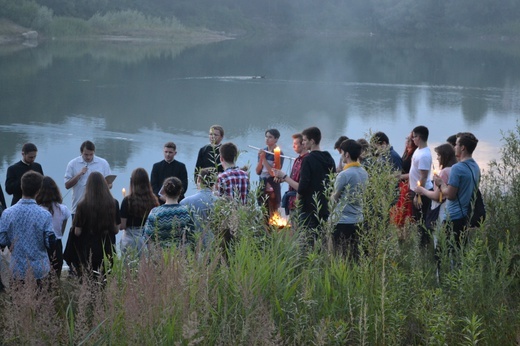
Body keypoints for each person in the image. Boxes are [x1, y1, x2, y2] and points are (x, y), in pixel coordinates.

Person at [0, 171, 55, 284]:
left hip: (17, 269)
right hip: (40, 269)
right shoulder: (45, 215)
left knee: (18, 300)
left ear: (21, 186)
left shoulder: (7, 213)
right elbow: (50, 243)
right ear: (39, 190)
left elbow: (2, 240)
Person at [68, 172, 120, 277]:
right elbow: (116, 230)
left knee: (90, 278)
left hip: (88, 250)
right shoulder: (114, 203)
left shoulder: (82, 205)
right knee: (106, 278)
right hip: (107, 248)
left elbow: (77, 232)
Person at [434, 132, 480, 247]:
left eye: (456, 144)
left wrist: (440, 184)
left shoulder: (457, 168)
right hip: (466, 216)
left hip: (453, 217)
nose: (454, 147)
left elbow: (450, 195)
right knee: (458, 253)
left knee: (441, 255)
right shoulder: (475, 167)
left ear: (462, 148)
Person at [332, 139, 369, 258]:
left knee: (340, 257)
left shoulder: (344, 174)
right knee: (354, 256)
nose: (341, 155)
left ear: (346, 154)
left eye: (342, 152)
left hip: (342, 222)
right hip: (358, 219)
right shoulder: (364, 172)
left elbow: (334, 198)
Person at [297, 126, 336, 234]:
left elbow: (304, 182)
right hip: (324, 205)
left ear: (312, 141)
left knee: (307, 238)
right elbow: (333, 179)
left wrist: (298, 197)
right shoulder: (329, 158)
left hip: (309, 206)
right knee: (321, 237)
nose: (303, 143)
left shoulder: (308, 159)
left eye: (304, 140)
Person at [415, 143, 457, 231]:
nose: (437, 158)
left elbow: (437, 196)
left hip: (441, 208)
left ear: (445, 156)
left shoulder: (444, 172)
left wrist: (422, 190)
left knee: (438, 235)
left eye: (439, 155)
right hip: (452, 209)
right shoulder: (454, 169)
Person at [35, 176, 71, 278]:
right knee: (56, 274)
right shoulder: (63, 209)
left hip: (40, 245)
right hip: (57, 244)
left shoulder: (37, 210)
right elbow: (61, 231)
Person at [64, 140, 112, 216]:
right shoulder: (72, 164)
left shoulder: (103, 163)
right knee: (76, 228)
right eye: (86, 154)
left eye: (91, 154)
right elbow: (67, 185)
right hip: (78, 208)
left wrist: (106, 184)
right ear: (81, 152)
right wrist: (79, 174)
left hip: (98, 207)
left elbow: (110, 185)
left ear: (94, 152)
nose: (89, 157)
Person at [143, 176, 193, 247]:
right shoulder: (187, 212)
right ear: (180, 191)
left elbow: (147, 237)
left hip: (160, 255)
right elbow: (192, 236)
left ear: (164, 191)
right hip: (183, 254)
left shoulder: (155, 212)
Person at [120, 168, 159, 256]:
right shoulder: (153, 200)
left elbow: (122, 226)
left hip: (130, 240)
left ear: (132, 182)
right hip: (148, 240)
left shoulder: (127, 201)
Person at [272, 133, 309, 216]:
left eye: (295, 144)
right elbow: (294, 180)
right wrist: (282, 178)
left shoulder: (306, 161)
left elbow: (301, 186)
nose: (293, 146)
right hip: (291, 202)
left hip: (299, 202)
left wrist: (285, 176)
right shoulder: (297, 160)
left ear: (303, 144)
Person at [409, 125, 433, 246]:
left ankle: (423, 245)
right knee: (417, 219)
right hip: (416, 190)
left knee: (421, 220)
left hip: (421, 192)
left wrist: (417, 195)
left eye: (414, 137)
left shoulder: (424, 155)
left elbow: (423, 176)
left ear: (419, 137)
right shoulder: (418, 150)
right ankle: (421, 243)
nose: (412, 139)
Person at [181, 167, 219, 242]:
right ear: (214, 182)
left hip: (192, 244)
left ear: (198, 180)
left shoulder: (185, 202)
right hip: (214, 244)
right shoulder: (219, 202)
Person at [390, 132, 418, 227]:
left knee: (405, 211)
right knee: (399, 210)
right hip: (402, 185)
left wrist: (400, 176)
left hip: (408, 184)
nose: (407, 142)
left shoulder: (414, 154)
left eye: (410, 140)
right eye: (407, 139)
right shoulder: (407, 152)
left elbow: (415, 173)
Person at [255, 129, 284, 218]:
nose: (267, 139)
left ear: (276, 139)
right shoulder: (263, 151)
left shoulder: (278, 153)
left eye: (270, 137)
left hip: (272, 186)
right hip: (262, 184)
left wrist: (263, 159)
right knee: (263, 209)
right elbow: (257, 171)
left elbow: (274, 173)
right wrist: (261, 159)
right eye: (266, 136)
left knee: (272, 211)